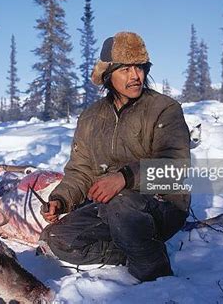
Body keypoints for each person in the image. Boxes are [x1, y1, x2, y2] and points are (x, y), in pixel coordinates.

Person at [39, 31, 191, 282]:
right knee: (56, 239)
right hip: (109, 207)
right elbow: (81, 171)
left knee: (122, 201)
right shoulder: (90, 118)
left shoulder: (164, 108)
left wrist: (125, 178)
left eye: (140, 68)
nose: (135, 76)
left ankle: (157, 278)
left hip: (162, 204)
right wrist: (61, 200)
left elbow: (176, 165)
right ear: (108, 75)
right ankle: (133, 248)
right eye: (126, 69)